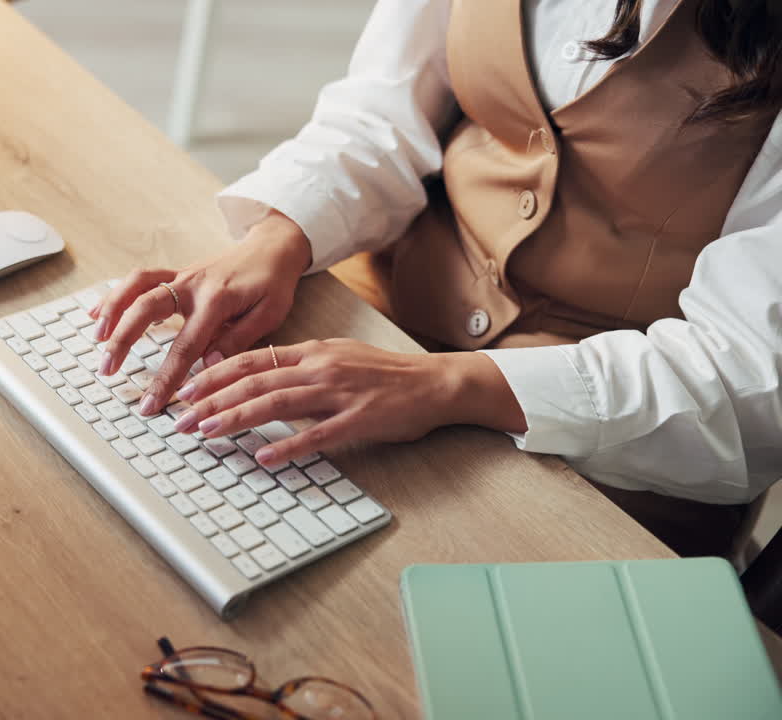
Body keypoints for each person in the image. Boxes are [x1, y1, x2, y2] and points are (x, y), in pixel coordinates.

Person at [89, 0, 782, 558]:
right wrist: (283, 231)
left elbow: (753, 387)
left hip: (616, 443)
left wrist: (451, 383)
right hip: (389, 311)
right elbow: (381, 111)